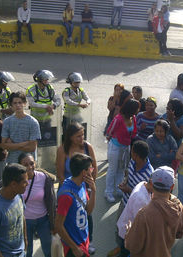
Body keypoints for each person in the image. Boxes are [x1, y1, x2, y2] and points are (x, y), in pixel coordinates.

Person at [55, 122, 98, 254]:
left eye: (83, 135)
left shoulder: (87, 147)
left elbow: (94, 168)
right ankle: (73, 243)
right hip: (72, 189)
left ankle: (87, 241)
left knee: (85, 218)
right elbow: (60, 173)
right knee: (70, 220)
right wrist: (72, 187)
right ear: (70, 137)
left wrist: (91, 188)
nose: (82, 138)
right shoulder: (62, 150)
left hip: (82, 187)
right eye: (78, 136)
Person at [124, 166, 183, 257]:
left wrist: (129, 232)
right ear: (172, 186)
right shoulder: (178, 206)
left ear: (152, 183)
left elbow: (133, 246)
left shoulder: (144, 214)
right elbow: (180, 234)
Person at [0, 163, 29, 257]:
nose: (27, 184)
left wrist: (25, 241)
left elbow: (21, 216)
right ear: (13, 184)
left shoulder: (18, 195)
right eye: (24, 182)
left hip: (21, 252)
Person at [19, 153, 56, 257]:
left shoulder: (44, 177)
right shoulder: (16, 179)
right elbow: (1, 185)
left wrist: (53, 223)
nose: (29, 167)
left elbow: (52, 201)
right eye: (25, 164)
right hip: (25, 222)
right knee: (27, 251)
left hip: (43, 220)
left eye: (31, 163)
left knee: (48, 250)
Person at [105, 99, 139, 203]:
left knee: (121, 169)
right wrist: (112, 139)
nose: (138, 110)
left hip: (126, 147)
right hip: (115, 147)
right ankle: (108, 192)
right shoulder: (118, 119)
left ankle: (119, 188)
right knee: (112, 169)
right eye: (136, 108)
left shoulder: (133, 118)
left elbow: (134, 132)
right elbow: (109, 132)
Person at [117, 177, 153, 257]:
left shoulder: (143, 184)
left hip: (126, 229)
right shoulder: (140, 199)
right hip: (128, 234)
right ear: (151, 182)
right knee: (125, 253)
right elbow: (139, 224)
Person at [1, 91, 41, 164]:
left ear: (25, 104)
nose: (18, 105)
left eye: (20, 102)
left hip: (28, 163)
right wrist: (24, 143)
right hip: (12, 162)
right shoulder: (7, 122)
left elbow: (32, 147)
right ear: (11, 105)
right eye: (15, 103)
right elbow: (3, 145)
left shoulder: (33, 122)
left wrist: (12, 145)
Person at [119, 140, 154, 205]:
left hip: (136, 207)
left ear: (136, 155)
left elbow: (147, 196)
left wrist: (129, 190)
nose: (130, 153)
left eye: (132, 151)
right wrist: (125, 181)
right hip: (125, 201)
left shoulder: (149, 174)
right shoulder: (132, 161)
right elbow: (128, 172)